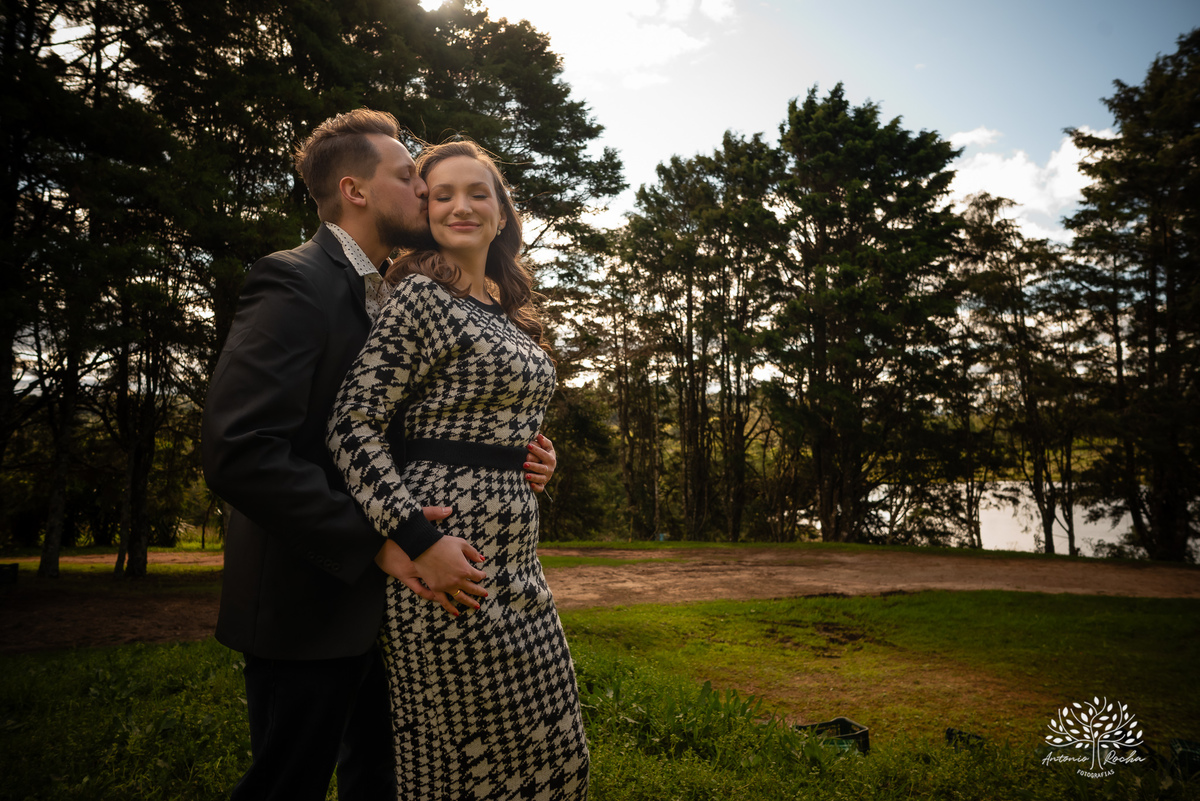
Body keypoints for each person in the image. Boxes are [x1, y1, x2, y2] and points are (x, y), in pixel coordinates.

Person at [201, 110, 558, 801]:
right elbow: (240, 451)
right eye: (410, 178)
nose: (426, 194)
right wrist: (380, 543)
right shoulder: (293, 280)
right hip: (304, 603)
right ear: (356, 190)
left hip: (393, 611)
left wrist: (521, 452)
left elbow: (420, 423)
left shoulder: (396, 292)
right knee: (286, 784)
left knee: (384, 784)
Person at [327, 139, 589, 800]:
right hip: (448, 561)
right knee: (461, 766)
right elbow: (352, 423)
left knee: (557, 752)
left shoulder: (509, 305)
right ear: (428, 211)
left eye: (478, 192)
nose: (460, 205)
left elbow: (483, 412)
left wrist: (534, 451)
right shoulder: (419, 298)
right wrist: (417, 536)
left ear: (502, 212)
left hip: (520, 561)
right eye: (441, 194)